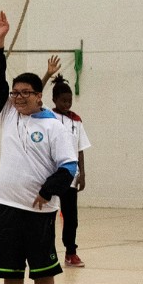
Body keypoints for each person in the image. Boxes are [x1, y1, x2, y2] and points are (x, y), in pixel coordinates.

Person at [0, 11, 78, 284]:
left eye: (25, 93)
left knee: (42, 267)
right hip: (6, 205)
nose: (18, 97)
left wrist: (48, 191)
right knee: (9, 267)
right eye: (15, 92)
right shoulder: (8, 114)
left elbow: (68, 167)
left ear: (39, 95)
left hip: (39, 211)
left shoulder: (55, 126)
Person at [42, 59, 92, 267]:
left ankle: (71, 252)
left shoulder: (76, 121)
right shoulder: (47, 115)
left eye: (69, 100)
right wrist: (47, 74)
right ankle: (46, 251)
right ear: (54, 100)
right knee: (48, 216)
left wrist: (82, 173)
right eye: (63, 100)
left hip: (70, 176)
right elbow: (37, 93)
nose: (67, 104)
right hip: (51, 175)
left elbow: (80, 148)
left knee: (71, 217)